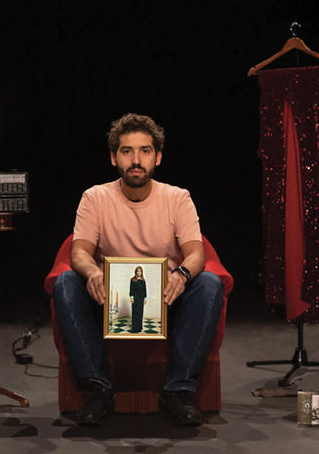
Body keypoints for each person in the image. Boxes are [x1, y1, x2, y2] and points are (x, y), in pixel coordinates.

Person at [53, 113, 224, 426]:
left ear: (157, 157)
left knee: (210, 284)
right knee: (65, 282)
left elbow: (196, 254)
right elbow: (79, 252)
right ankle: (98, 389)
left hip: (168, 299)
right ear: (113, 158)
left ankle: (178, 390)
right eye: (127, 151)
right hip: (109, 301)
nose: (136, 160)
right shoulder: (95, 197)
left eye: (145, 151)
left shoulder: (178, 198)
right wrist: (93, 273)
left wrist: (181, 275)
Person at [129, 266, 147, 333]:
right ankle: (134, 328)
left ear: (141, 272)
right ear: (136, 272)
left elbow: (144, 290)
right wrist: (131, 297)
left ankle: (139, 327)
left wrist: (145, 298)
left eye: (140, 271)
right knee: (135, 312)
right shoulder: (132, 280)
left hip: (141, 298)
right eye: (138, 271)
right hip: (135, 298)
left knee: (140, 312)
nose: (139, 272)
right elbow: (131, 289)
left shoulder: (143, 280)